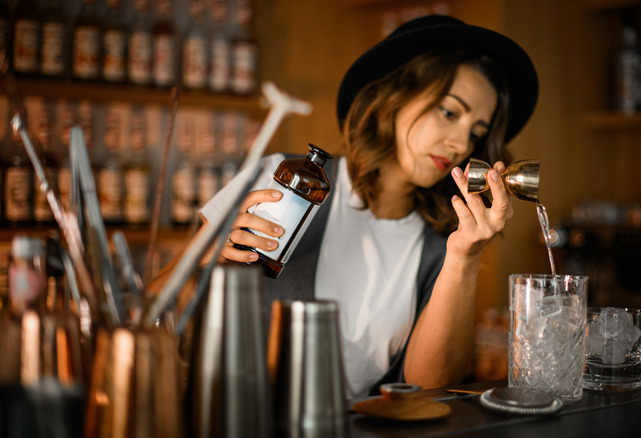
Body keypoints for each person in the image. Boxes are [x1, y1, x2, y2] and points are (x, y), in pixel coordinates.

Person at [150, 15, 538, 398]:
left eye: (476, 133)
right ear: (393, 96)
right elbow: (149, 306)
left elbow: (428, 387)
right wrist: (204, 259)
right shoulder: (285, 180)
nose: (460, 143)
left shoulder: (443, 243)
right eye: (449, 112)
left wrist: (464, 257)